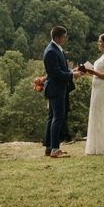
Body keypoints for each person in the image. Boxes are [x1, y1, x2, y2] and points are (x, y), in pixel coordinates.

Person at [42, 26, 80, 159]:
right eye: (64, 37)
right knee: (57, 118)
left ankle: (49, 147)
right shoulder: (51, 51)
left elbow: (61, 68)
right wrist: (72, 76)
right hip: (56, 88)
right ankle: (55, 149)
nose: (65, 39)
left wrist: (72, 71)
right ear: (57, 37)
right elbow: (56, 73)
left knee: (53, 117)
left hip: (57, 88)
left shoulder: (56, 49)